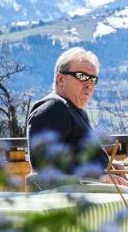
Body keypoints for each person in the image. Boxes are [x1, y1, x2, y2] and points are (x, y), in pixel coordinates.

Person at [26, 47, 109, 181]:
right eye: (82, 77)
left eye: (93, 79)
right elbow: (46, 167)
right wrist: (100, 176)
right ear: (60, 79)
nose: (89, 85)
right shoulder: (53, 108)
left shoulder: (75, 111)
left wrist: (108, 166)